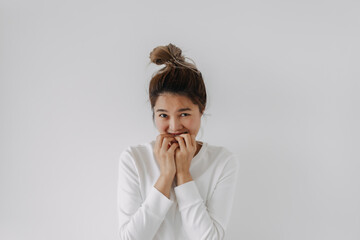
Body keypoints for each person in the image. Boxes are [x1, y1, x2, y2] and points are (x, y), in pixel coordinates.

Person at [117, 43, 239, 240]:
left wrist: (183, 173)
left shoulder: (222, 161)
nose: (174, 127)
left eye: (184, 114)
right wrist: (166, 176)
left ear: (202, 109)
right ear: (154, 113)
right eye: (163, 115)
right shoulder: (133, 158)